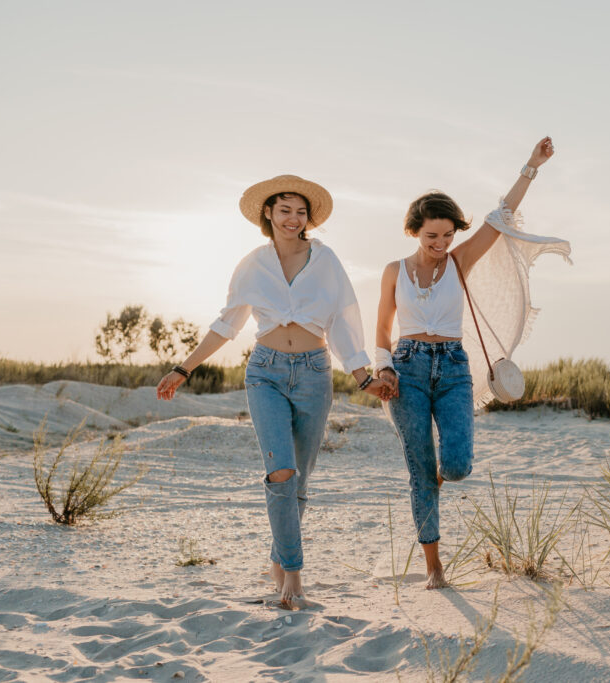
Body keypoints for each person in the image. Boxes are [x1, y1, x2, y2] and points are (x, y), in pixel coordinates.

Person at [156, 175, 387, 609]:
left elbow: (343, 324)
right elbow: (227, 324)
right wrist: (182, 368)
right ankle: (294, 578)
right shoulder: (252, 265)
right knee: (280, 472)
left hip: (315, 373)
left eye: (301, 212)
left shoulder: (327, 261)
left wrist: (362, 377)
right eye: (284, 210)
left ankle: (279, 560)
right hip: (265, 373)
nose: (293, 219)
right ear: (268, 213)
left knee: (299, 479)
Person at [374, 137, 570, 589]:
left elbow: (500, 217)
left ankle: (433, 482)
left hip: (454, 369)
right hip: (407, 369)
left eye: (447, 234)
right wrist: (383, 368)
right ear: (413, 232)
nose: (441, 243)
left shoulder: (460, 260)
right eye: (431, 236)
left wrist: (531, 167)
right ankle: (433, 566)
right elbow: (382, 328)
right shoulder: (393, 271)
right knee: (420, 470)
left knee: (457, 464)